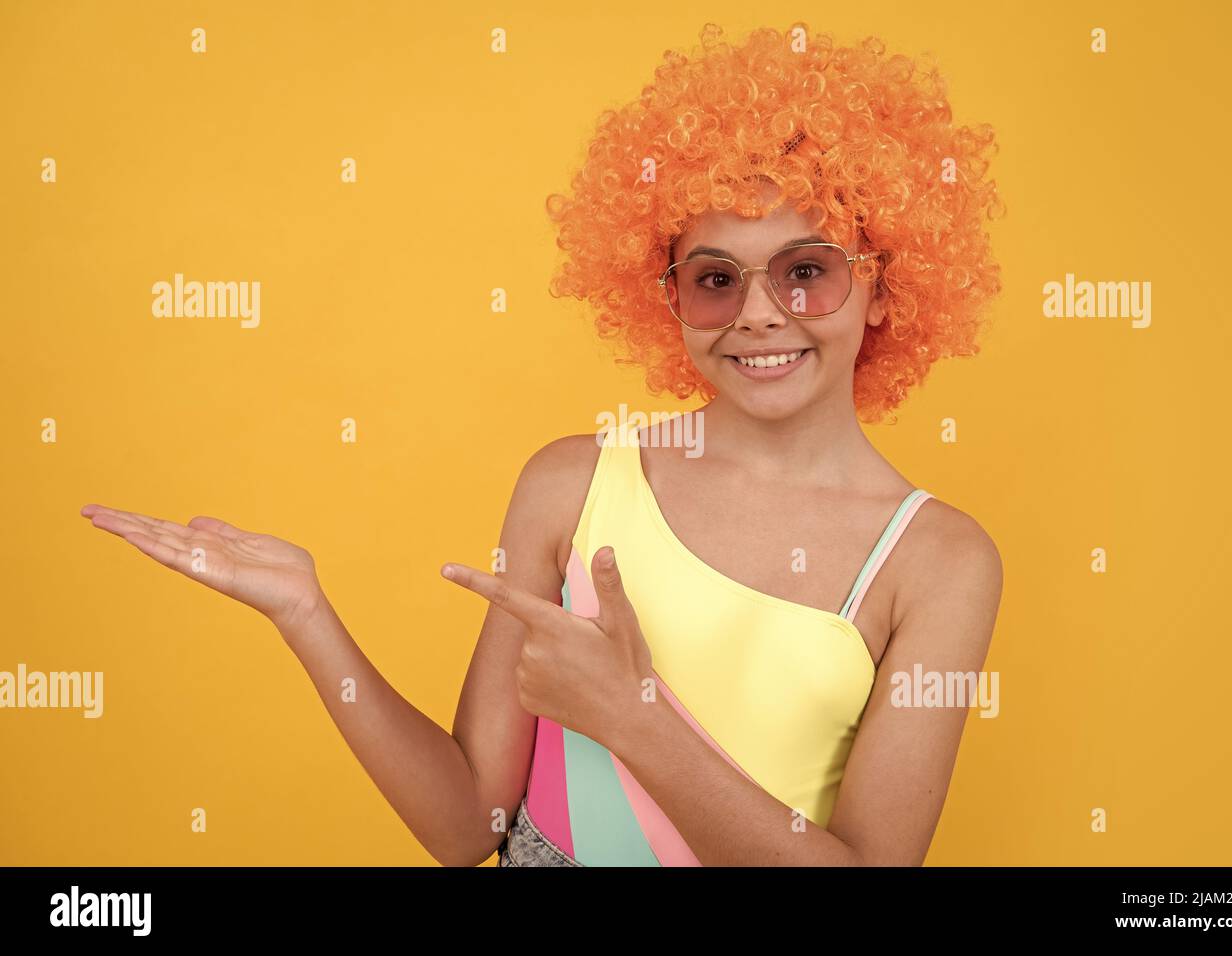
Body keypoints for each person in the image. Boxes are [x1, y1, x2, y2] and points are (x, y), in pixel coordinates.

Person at [81, 21, 1004, 866]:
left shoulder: (937, 562)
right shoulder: (574, 484)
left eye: (808, 272)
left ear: (885, 289)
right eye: (715, 278)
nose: (761, 313)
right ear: (669, 300)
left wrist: (631, 718)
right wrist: (307, 615)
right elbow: (466, 827)